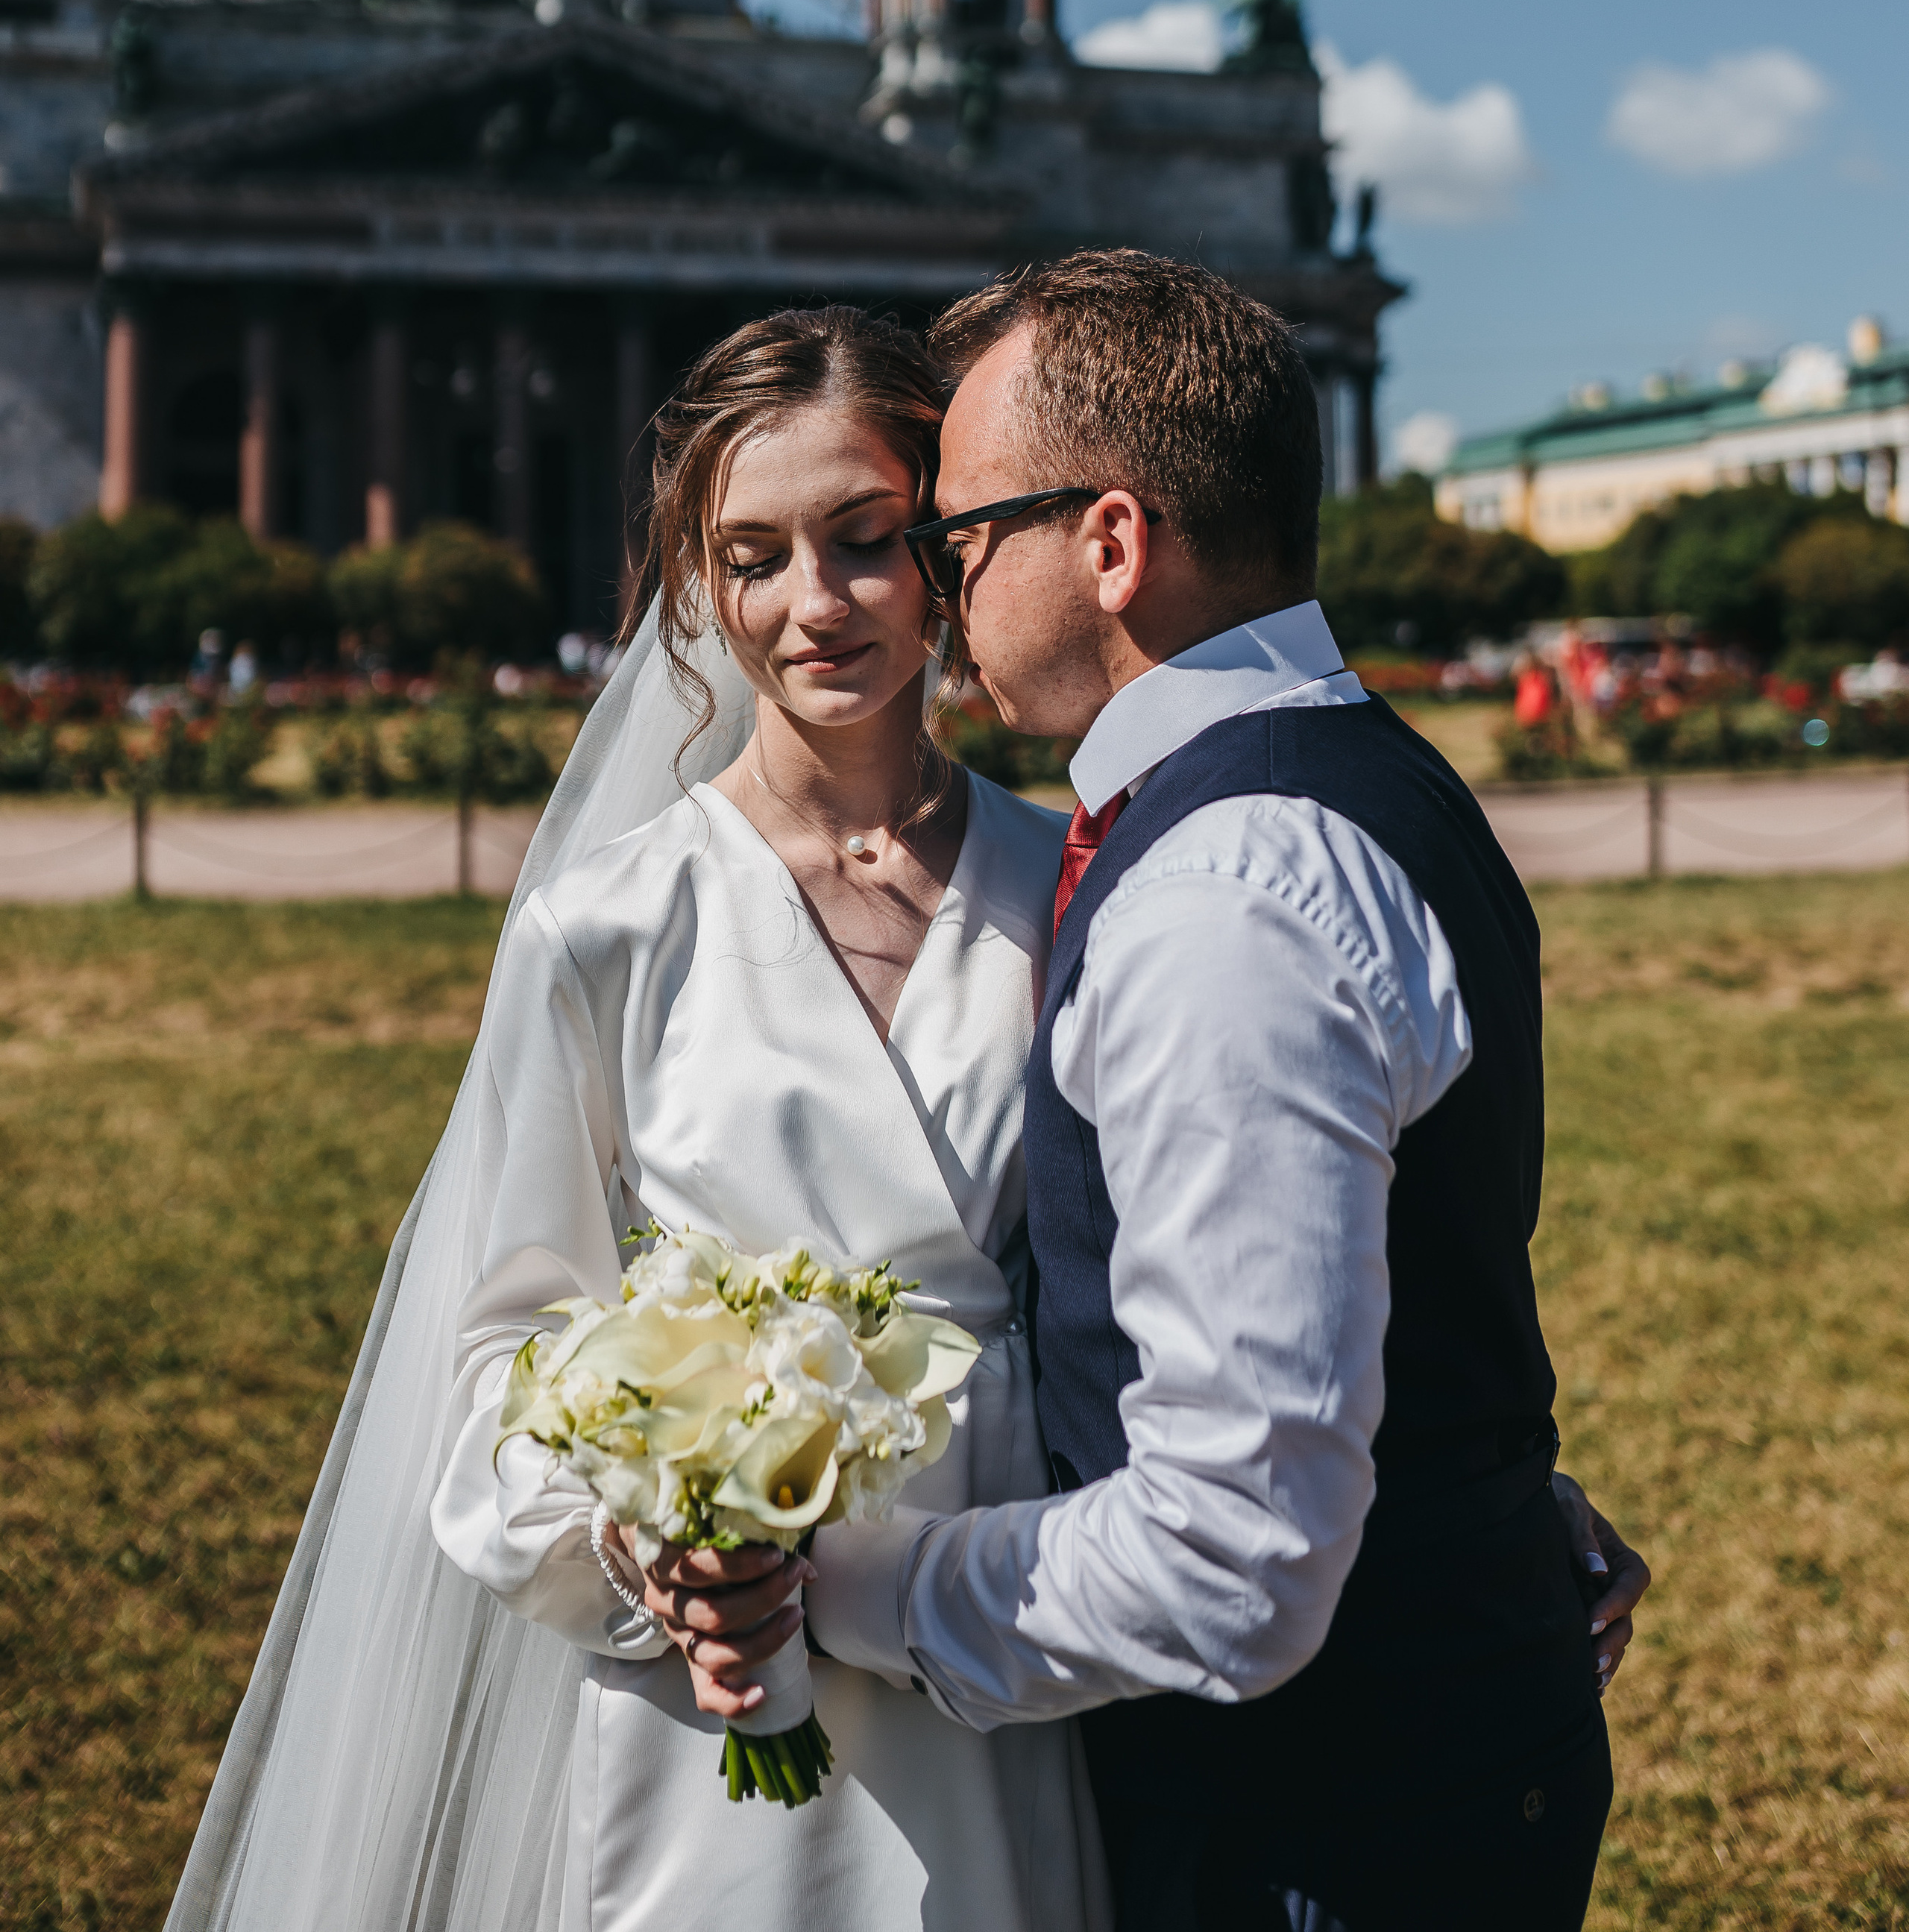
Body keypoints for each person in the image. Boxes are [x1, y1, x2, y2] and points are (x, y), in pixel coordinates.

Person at [653, 251, 1649, 1932]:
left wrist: (840, 1589)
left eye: (962, 537)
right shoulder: (1365, 780)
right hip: (1440, 1742)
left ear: (1110, 543)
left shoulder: (1219, 895)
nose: (943, 591)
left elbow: (1232, 1557)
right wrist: (1483, 1507)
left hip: (1321, 1823)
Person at [163, 307, 1105, 1932]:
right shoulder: (606, 927)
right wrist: (648, 1554)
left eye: (864, 539)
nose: (813, 604)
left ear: (943, 550)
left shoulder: (1063, 879)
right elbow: (497, 1345)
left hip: (1009, 1615)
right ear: (696, 582)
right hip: (723, 1670)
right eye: (753, 558)